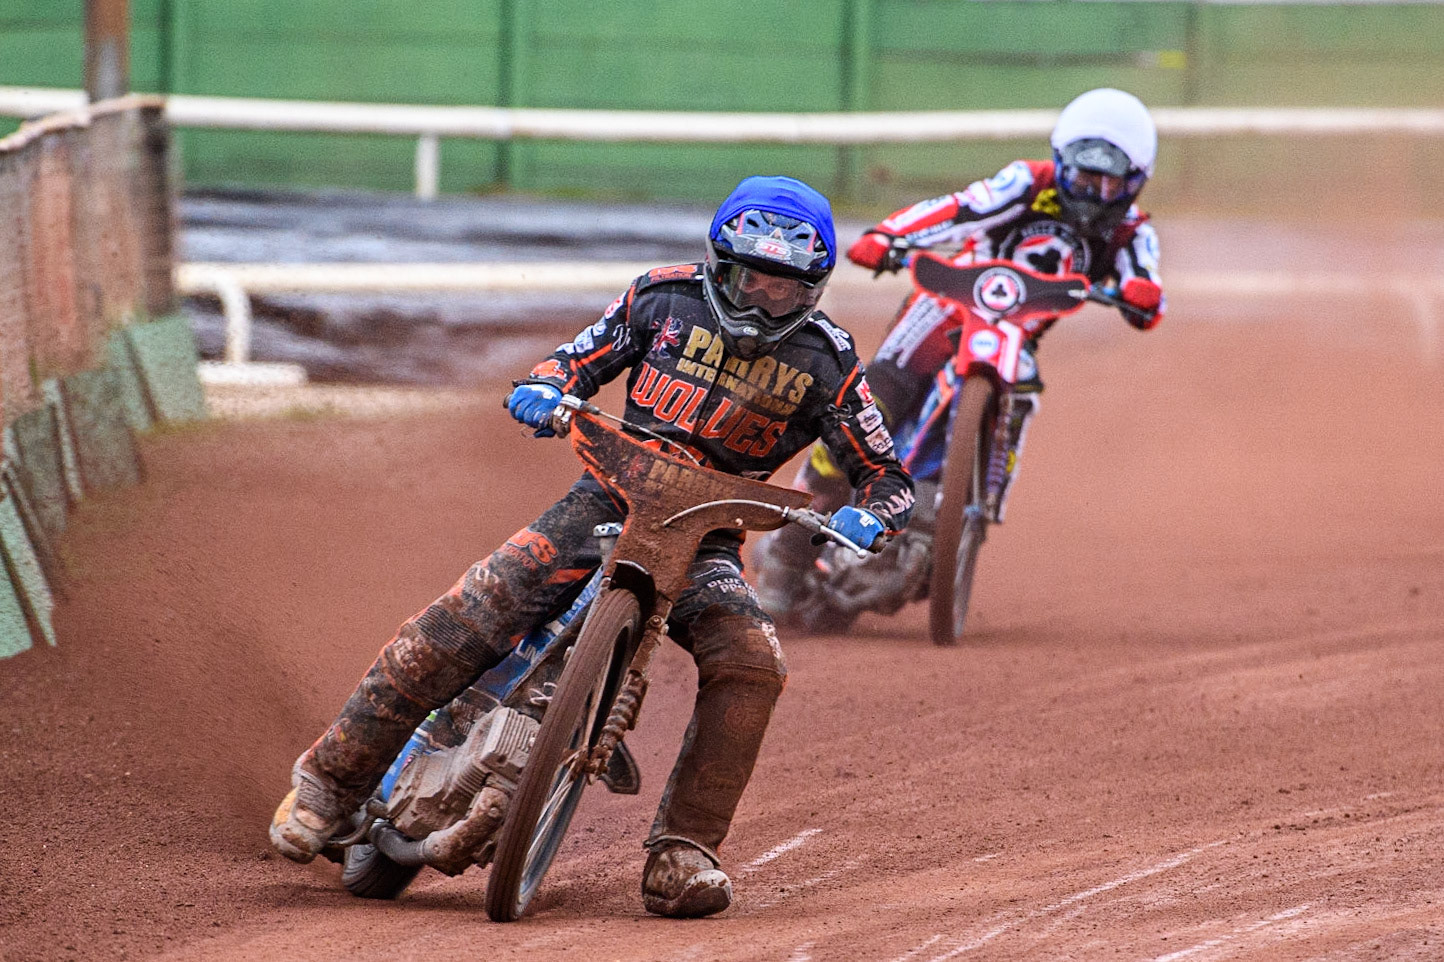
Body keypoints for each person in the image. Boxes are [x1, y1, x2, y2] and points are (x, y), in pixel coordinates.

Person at [269, 175, 914, 918]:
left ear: (815, 290)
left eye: (784, 290)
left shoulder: (827, 360)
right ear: (718, 265)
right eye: (749, 278)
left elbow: (888, 474)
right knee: (471, 612)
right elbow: (573, 360)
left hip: (707, 540)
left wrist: (873, 517)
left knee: (754, 663)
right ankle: (328, 787)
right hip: (605, 498)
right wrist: (544, 387)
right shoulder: (658, 298)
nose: (762, 300)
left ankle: (683, 853)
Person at [755, 89, 1166, 625]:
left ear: (1135, 182)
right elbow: (958, 208)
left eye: (1110, 182)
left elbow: (1146, 281)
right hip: (945, 307)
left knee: (1020, 399)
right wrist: (889, 234)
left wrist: (1141, 295)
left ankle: (968, 512)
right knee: (869, 405)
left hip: (1013, 339)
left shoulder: (1132, 230)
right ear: (1062, 159)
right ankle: (788, 557)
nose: (1094, 191)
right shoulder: (1027, 181)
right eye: (1085, 175)